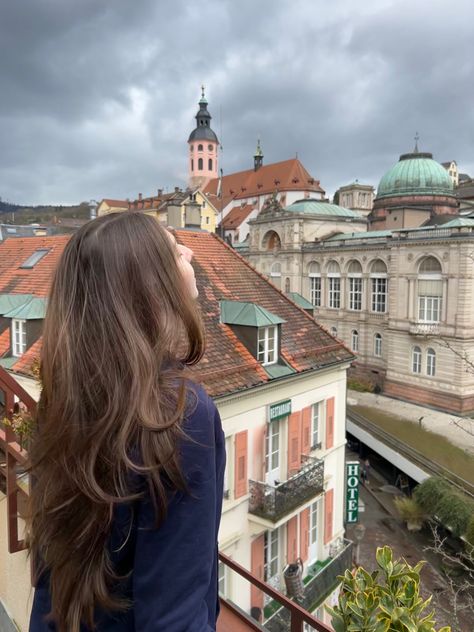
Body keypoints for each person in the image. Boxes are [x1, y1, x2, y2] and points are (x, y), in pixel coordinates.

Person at [27, 212, 225, 632]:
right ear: (151, 286)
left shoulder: (63, 398)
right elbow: (176, 616)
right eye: (175, 249)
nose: (190, 250)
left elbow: (51, 577)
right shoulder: (180, 414)